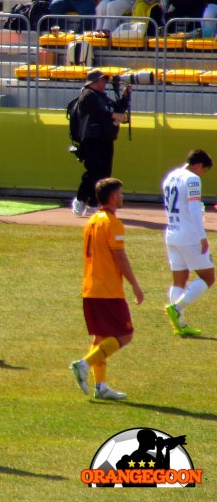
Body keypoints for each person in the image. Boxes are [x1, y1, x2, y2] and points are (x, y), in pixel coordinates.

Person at [70, 178, 144, 401]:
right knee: (125, 334)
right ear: (113, 197)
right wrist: (135, 285)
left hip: (90, 288)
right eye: (120, 193)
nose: (123, 197)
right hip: (107, 289)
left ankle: (100, 386)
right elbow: (119, 256)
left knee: (101, 336)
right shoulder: (112, 223)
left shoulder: (92, 221)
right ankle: (84, 364)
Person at [162, 149, 214, 336]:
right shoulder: (192, 179)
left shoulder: (171, 176)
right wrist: (202, 235)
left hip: (171, 233)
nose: (202, 175)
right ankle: (177, 308)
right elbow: (193, 208)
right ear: (198, 165)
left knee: (180, 279)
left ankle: (180, 325)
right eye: (204, 171)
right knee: (208, 277)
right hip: (189, 234)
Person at [71, 70, 129, 216]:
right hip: (91, 139)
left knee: (104, 174)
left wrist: (125, 97)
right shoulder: (87, 95)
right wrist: (113, 115)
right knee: (93, 172)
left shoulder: (104, 99)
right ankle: (81, 199)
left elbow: (117, 109)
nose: (104, 83)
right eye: (102, 81)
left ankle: (92, 203)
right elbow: (95, 110)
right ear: (93, 82)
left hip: (106, 139)